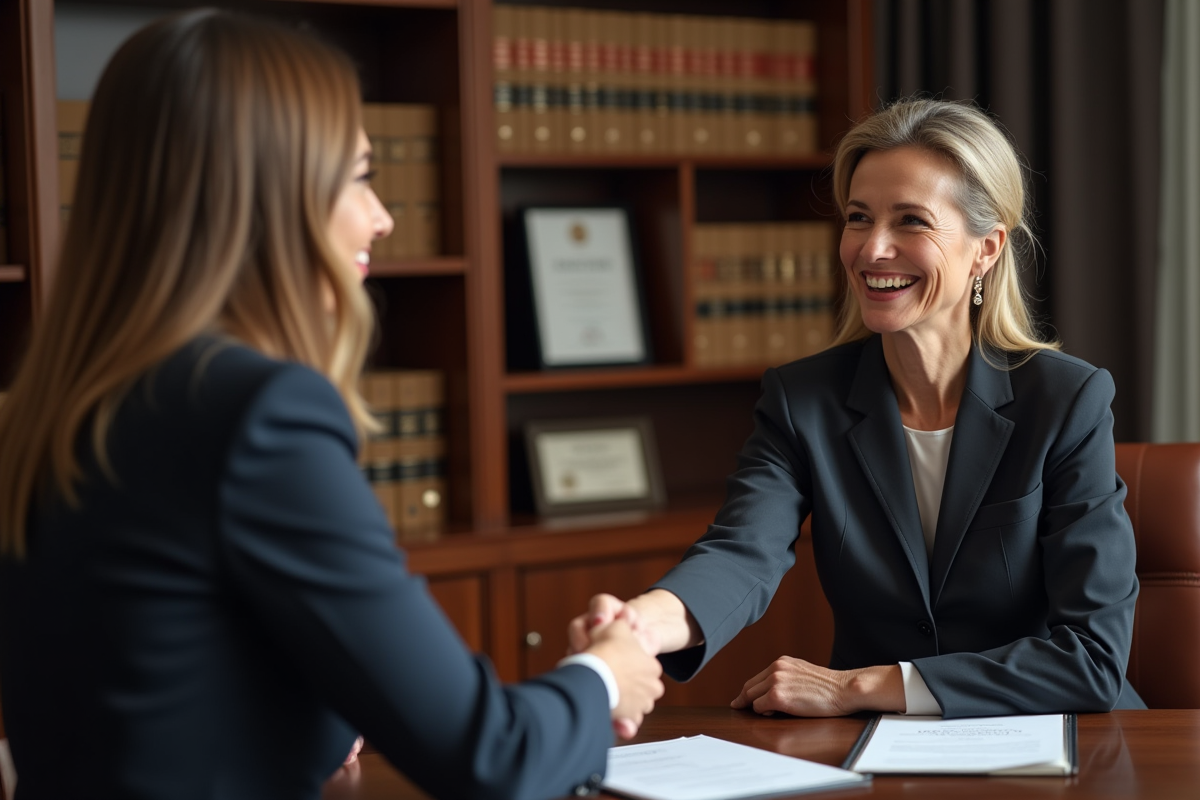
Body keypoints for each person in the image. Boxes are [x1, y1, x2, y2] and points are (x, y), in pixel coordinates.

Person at [0, 9, 662, 800]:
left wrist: (301, 719)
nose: (381, 218)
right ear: (265, 193)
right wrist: (606, 675)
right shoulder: (257, 413)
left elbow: (141, 706)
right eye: (359, 175)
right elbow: (490, 754)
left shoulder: (56, 405)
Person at [570, 97, 1144, 721]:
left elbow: (1090, 656)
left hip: (1064, 742)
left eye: (910, 222)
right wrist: (640, 627)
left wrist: (861, 687)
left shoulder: (1068, 400)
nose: (872, 250)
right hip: (885, 757)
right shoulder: (802, 401)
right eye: (858, 218)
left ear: (986, 248)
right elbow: (741, 553)